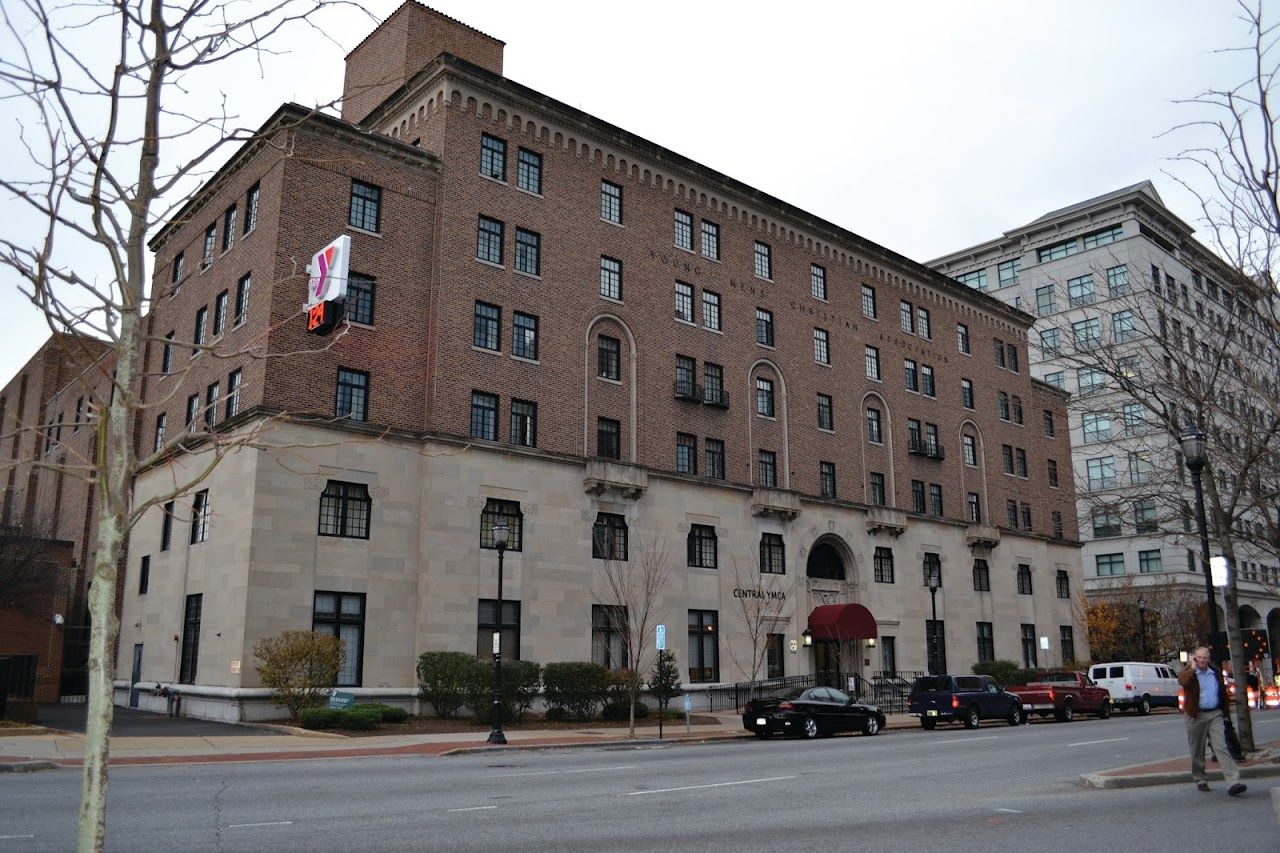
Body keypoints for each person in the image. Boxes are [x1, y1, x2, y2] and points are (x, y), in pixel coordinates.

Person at [1178, 646, 1246, 796]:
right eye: (1199, 657)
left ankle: (1233, 782)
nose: (1202, 660)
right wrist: (1192, 668)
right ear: (1195, 658)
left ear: (1208, 659)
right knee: (1197, 750)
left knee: (1221, 747)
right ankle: (1200, 779)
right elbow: (1182, 681)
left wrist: (1225, 713)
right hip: (1195, 715)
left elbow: (1222, 692)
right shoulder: (1189, 672)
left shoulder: (1214, 672)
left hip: (1214, 714)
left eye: (1205, 658)